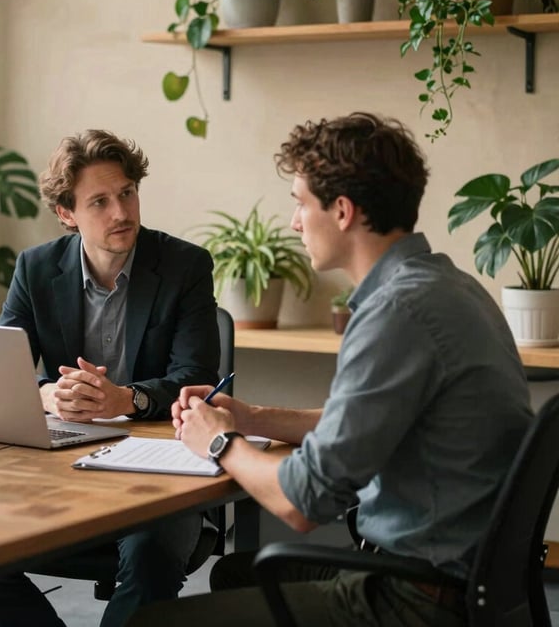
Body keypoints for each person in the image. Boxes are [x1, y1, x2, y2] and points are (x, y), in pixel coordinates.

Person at [129, 111, 533, 627]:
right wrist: (251, 417)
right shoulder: (447, 287)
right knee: (235, 574)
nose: (295, 221)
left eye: (300, 203)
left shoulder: (397, 314)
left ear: (342, 211)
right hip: (466, 578)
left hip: (413, 597)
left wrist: (218, 442)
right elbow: (360, 420)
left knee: (149, 624)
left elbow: (302, 503)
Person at [0, 129, 220, 627]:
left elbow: (198, 379)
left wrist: (124, 398)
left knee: (151, 551)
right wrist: (48, 395)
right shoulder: (36, 268)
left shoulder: (185, 265)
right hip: (63, 460)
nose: (121, 213)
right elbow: (2, 369)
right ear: (67, 213)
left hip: (159, 464)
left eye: (127, 193)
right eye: (100, 202)